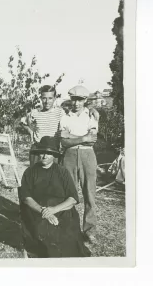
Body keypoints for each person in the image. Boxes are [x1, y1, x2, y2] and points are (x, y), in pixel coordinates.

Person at [18, 136, 90, 258]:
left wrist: (54, 210)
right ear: (39, 153)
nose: (45, 156)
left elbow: (72, 198)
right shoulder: (30, 172)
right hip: (37, 211)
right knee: (45, 236)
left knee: (68, 238)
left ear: (54, 155)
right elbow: (26, 197)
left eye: (49, 153)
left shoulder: (62, 172)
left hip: (61, 210)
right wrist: (44, 212)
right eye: (42, 152)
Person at [23, 84, 99, 166]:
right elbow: (22, 122)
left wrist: (92, 109)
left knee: (54, 177)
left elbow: (76, 111)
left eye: (50, 98)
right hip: (38, 150)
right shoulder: (35, 112)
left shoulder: (61, 112)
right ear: (41, 98)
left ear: (55, 99)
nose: (47, 101)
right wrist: (30, 130)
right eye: (44, 98)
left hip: (53, 150)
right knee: (35, 176)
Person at [60, 85, 98, 244]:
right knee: (68, 193)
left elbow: (92, 138)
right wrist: (82, 138)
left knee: (89, 194)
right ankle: (68, 229)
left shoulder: (92, 116)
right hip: (68, 155)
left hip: (87, 155)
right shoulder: (65, 116)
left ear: (85, 100)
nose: (76, 103)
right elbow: (63, 140)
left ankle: (89, 231)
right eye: (74, 99)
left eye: (80, 100)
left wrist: (72, 137)